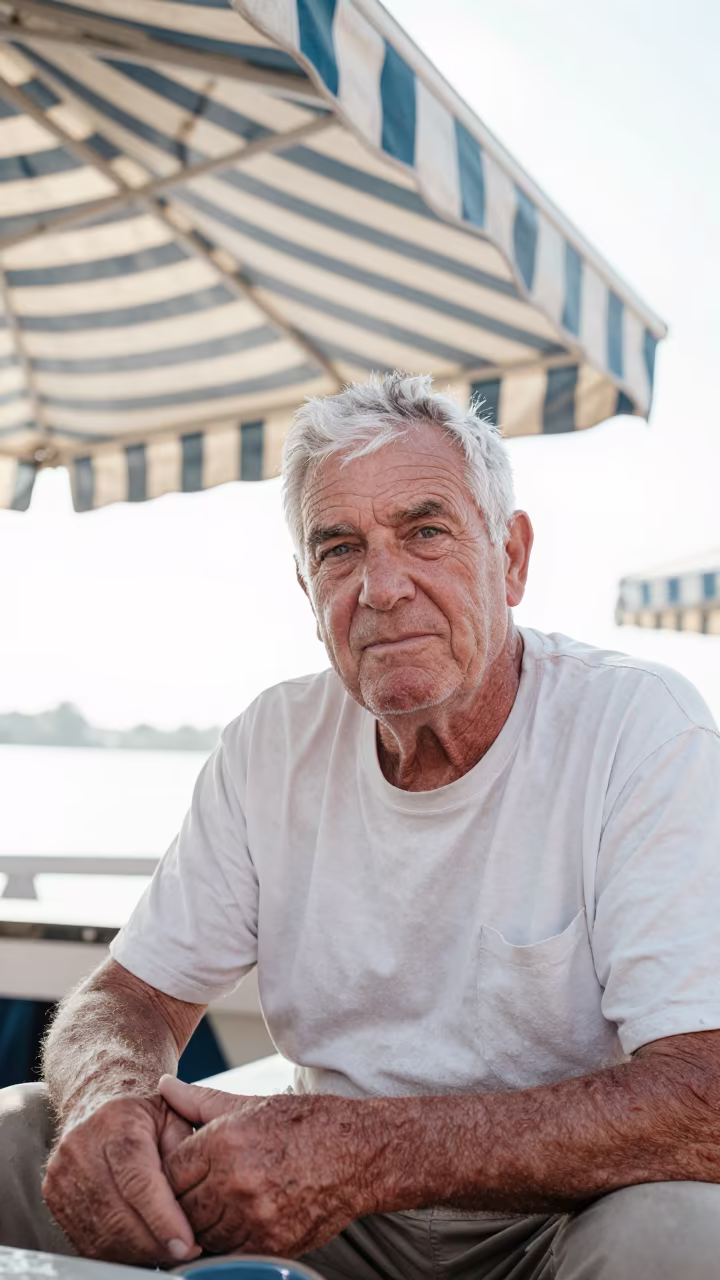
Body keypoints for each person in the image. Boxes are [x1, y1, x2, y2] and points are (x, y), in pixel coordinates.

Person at [2, 373, 720, 1280]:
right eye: (339, 548)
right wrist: (110, 1101)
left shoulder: (641, 729)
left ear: (513, 558)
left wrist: (366, 1152)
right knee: (28, 1136)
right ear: (307, 588)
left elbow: (705, 1097)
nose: (382, 587)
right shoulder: (273, 742)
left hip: (560, 1220)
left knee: (688, 1236)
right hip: (322, 1218)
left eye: (425, 531)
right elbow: (128, 999)